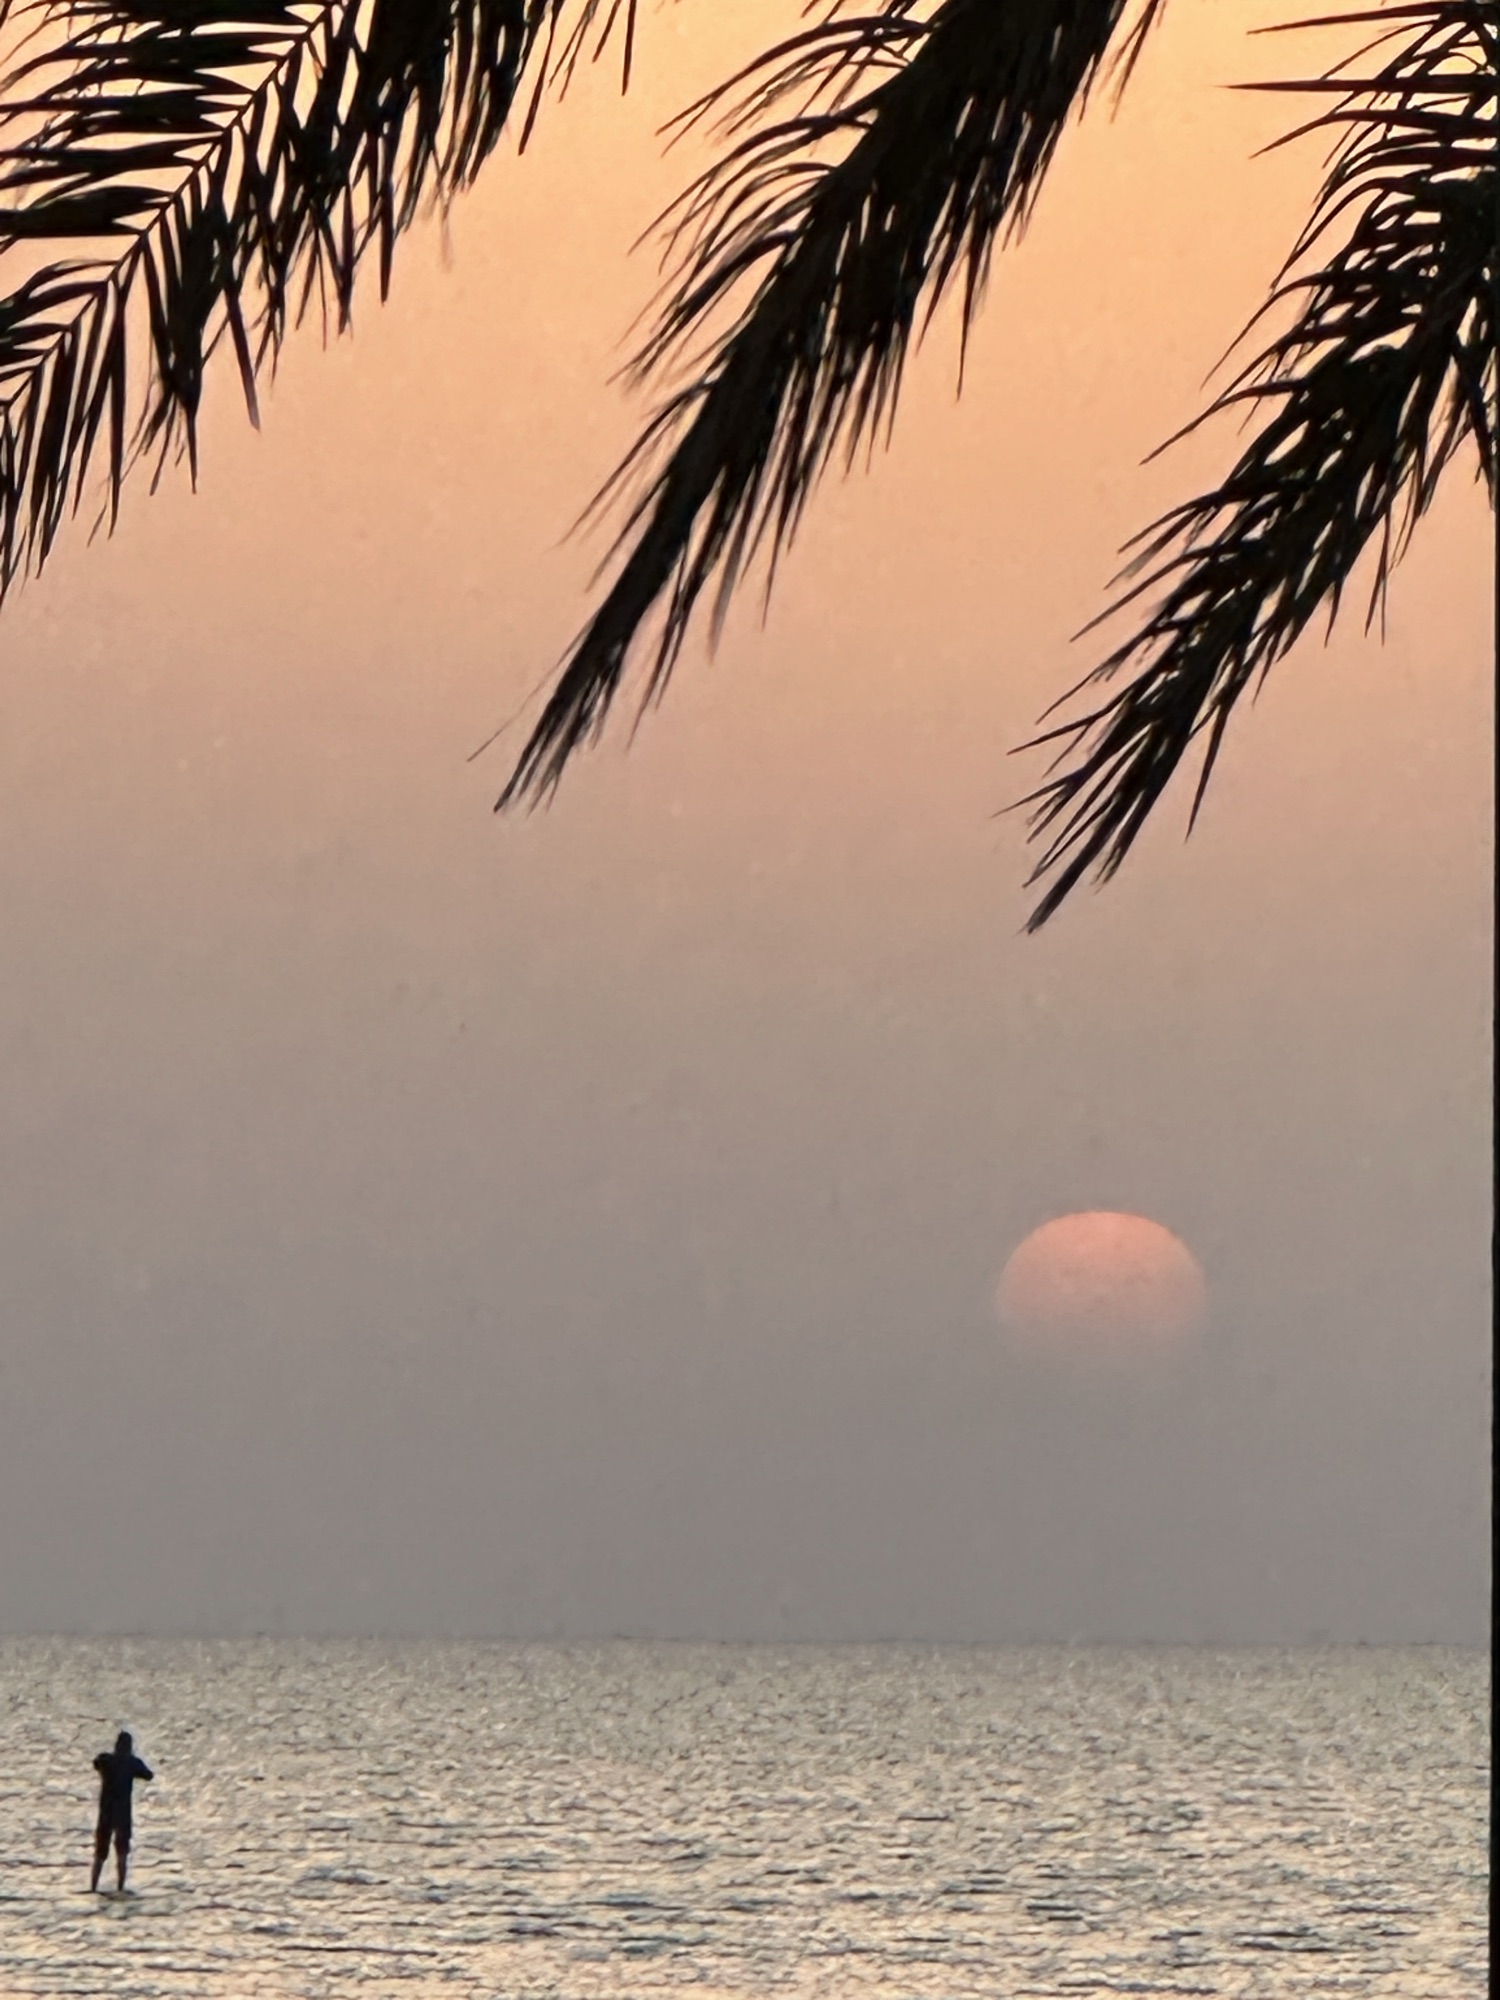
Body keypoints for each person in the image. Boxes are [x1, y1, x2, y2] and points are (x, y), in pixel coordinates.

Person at [89, 1730, 152, 1892]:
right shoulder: (132, 1763)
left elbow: (96, 1763)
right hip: (123, 1813)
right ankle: (120, 1888)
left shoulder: (106, 1760)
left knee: (100, 1854)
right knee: (122, 1853)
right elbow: (148, 1775)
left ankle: (93, 1887)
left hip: (106, 1813)